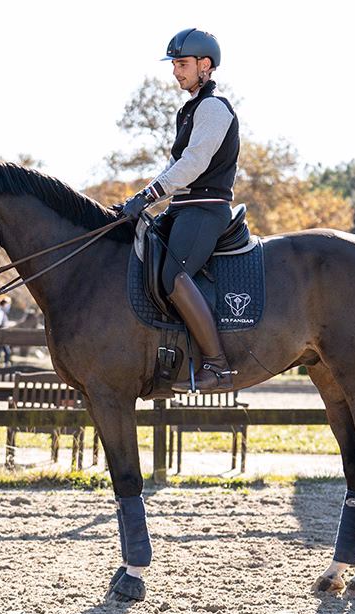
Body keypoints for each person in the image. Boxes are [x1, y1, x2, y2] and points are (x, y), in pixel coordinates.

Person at [122, 28, 240, 394]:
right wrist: (140, 198)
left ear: (205, 66)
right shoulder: (188, 110)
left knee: (174, 274)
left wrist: (150, 194)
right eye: (174, 64)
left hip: (206, 208)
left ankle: (218, 367)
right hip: (182, 206)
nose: (176, 71)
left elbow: (193, 162)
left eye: (183, 64)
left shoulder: (214, 108)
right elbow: (172, 166)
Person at [0, 298, 13, 367]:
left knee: (3, 349)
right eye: (8, 304)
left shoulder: (0, 311)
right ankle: (3, 363)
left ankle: (1, 363)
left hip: (2, 333)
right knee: (2, 349)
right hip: (1, 332)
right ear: (4, 304)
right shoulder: (0, 312)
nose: (8, 306)